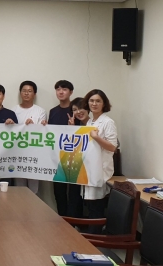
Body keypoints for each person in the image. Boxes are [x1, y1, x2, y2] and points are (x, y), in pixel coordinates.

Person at [82, 89, 117, 234]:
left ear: (104, 104)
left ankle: (94, 238)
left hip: (100, 170)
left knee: (96, 206)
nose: (94, 104)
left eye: (98, 101)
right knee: (90, 206)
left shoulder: (108, 122)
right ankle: (91, 236)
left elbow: (113, 147)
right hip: (89, 169)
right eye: (91, 101)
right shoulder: (90, 121)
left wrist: (96, 137)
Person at [48, 80, 82, 217]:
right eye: (58, 89)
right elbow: (50, 133)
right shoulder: (53, 111)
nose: (61, 92)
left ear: (71, 92)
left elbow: (84, 132)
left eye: (64, 89)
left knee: (74, 192)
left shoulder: (76, 110)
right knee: (59, 191)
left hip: (75, 157)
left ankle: (74, 221)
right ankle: (62, 220)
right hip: (57, 157)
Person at [13, 80, 47, 193]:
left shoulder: (40, 111)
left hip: (34, 153)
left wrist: (33, 127)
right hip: (17, 153)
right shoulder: (13, 110)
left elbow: (42, 131)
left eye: (30, 91)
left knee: (33, 188)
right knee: (19, 187)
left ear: (34, 94)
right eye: (24, 91)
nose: (26, 93)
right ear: (20, 93)